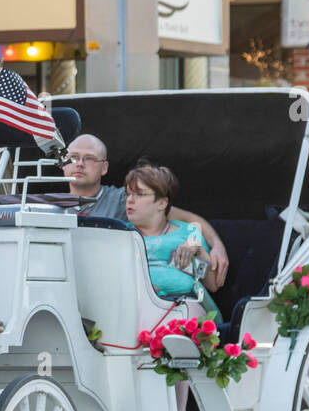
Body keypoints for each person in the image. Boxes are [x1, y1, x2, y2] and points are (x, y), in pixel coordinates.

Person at [63, 134, 229, 287]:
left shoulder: (122, 200)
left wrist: (217, 246)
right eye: (73, 157)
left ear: (104, 167)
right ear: (63, 163)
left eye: (89, 158)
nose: (79, 164)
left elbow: (187, 219)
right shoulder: (47, 206)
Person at [121, 159, 220, 316]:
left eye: (139, 194)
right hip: (134, 312)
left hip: (185, 311)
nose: (130, 200)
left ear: (161, 203)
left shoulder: (188, 233)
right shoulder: (120, 236)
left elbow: (213, 285)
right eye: (128, 193)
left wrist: (199, 250)